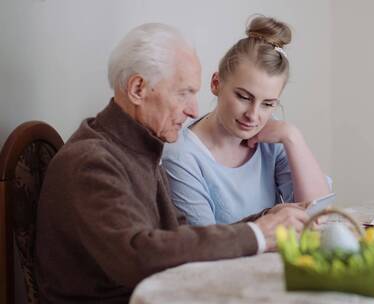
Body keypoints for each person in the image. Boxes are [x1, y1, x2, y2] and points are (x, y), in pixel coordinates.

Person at [34, 23, 309, 304]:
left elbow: (179, 237)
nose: (193, 109)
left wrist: (267, 219)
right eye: (183, 93)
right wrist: (258, 233)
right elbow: (137, 256)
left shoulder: (138, 148)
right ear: (138, 88)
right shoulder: (91, 162)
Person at [162, 16, 330, 226]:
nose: (253, 115)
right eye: (243, 97)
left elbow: (320, 217)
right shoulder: (182, 156)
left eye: (267, 104)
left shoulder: (273, 136)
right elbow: (204, 244)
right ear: (216, 84)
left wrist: (292, 137)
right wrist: (270, 221)